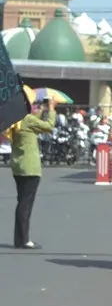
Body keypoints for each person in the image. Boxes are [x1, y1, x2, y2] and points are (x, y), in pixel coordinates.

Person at [9, 97, 57, 249]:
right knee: (26, 204)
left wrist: (41, 111)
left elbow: (33, 123)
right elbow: (49, 126)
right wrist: (52, 109)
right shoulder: (28, 120)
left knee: (22, 202)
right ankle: (24, 240)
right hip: (30, 167)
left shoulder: (14, 119)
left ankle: (20, 238)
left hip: (18, 165)